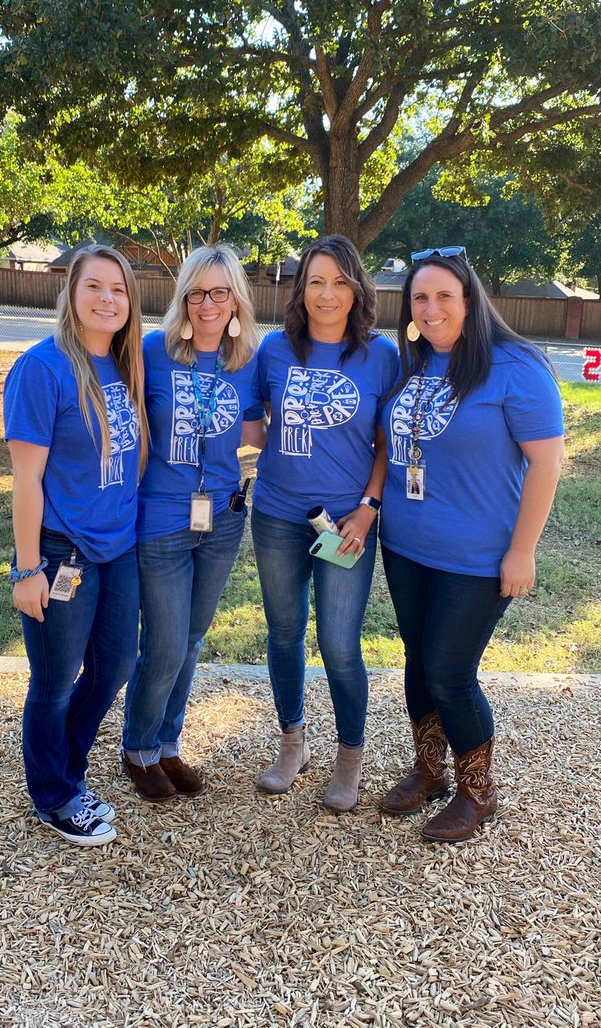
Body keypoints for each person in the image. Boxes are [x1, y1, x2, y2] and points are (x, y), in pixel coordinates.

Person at [378, 246, 564, 842]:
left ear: (469, 300)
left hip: (478, 556)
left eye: (443, 297)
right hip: (405, 546)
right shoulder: (413, 362)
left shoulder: (514, 365)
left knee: (451, 673)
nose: (431, 310)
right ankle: (429, 771)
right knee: (417, 663)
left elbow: (546, 464)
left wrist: (523, 550)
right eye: (420, 298)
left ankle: (477, 793)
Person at [3, 244, 148, 846]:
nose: (107, 298)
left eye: (118, 289)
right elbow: (26, 480)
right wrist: (28, 567)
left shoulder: (125, 364)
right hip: (62, 551)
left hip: (119, 548)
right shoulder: (43, 368)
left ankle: (68, 765)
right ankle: (55, 795)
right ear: (71, 291)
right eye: (95, 286)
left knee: (116, 664)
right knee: (57, 677)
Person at [251, 235, 399, 812]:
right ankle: (293, 742)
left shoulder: (380, 356)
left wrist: (369, 506)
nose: (327, 293)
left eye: (339, 281)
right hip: (277, 514)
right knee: (284, 633)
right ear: (300, 289)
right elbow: (253, 422)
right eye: (315, 281)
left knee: (339, 643)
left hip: (347, 523)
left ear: (357, 289)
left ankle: (349, 756)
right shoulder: (272, 351)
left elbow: (388, 443)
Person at [121, 245, 264, 800]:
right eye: (197, 292)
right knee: (164, 643)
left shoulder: (249, 360)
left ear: (235, 301)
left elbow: (254, 431)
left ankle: (168, 743)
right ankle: (137, 748)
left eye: (220, 292)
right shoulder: (152, 352)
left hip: (223, 518)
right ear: (184, 297)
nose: (208, 304)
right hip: (160, 518)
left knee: (194, 639)